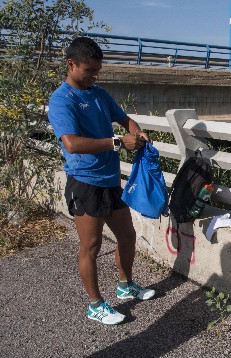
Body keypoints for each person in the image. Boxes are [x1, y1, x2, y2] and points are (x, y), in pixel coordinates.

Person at [48, 37, 155, 326]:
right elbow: (71, 143)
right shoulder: (62, 100)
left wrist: (138, 133)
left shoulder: (98, 94)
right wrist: (119, 142)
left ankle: (126, 284)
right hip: (85, 182)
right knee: (91, 246)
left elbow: (125, 120)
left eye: (98, 71)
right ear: (71, 65)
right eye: (90, 70)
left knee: (128, 236)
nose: (95, 76)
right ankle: (95, 304)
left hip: (109, 180)